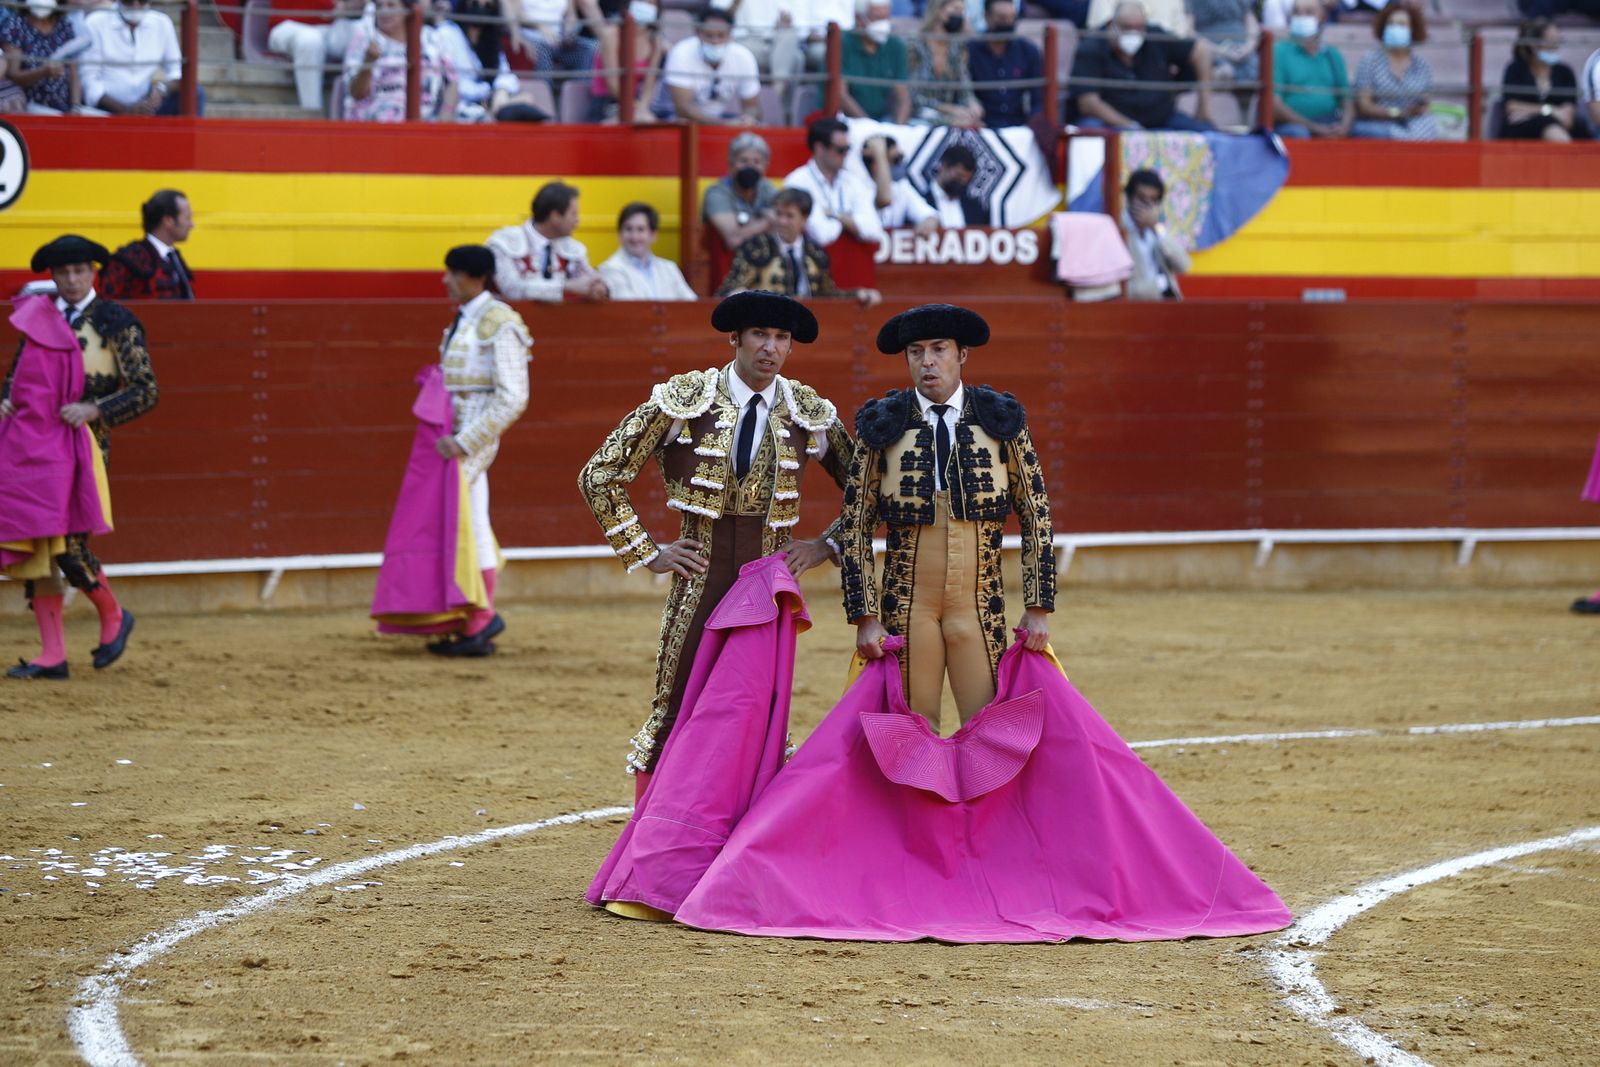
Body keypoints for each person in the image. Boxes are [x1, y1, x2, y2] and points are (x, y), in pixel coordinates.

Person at [577, 290, 855, 792]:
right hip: (699, 573)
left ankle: (744, 834)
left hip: (769, 583)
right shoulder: (686, 399)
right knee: (676, 698)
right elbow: (599, 474)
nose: (770, 348)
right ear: (735, 339)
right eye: (759, 335)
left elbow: (867, 491)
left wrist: (823, 546)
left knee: (761, 708)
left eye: (781, 338)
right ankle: (654, 829)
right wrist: (647, 551)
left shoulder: (808, 412)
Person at [840, 303, 1055, 729]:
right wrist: (864, 616)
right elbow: (855, 525)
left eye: (939, 349)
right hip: (906, 604)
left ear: (962, 355)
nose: (927, 361)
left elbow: (1036, 514)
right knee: (911, 728)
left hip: (980, 603)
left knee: (991, 725)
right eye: (916, 352)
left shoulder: (1000, 419)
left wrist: (1038, 606)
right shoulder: (882, 425)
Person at [1, 235, 158, 680]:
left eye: (79, 271)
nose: (71, 280)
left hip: (86, 443)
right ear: (52, 276)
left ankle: (113, 614)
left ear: (93, 273)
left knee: (69, 542)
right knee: (36, 539)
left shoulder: (115, 321)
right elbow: (18, 379)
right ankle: (52, 655)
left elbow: (147, 390)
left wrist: (96, 411)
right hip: (34, 444)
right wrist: (7, 401)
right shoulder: (38, 319)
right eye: (62, 273)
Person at [391, 245, 530, 656]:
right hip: (454, 436)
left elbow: (513, 397)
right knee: (472, 521)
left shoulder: (499, 322)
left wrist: (467, 441)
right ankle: (478, 615)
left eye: (450, 273)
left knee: (465, 523)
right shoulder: (467, 318)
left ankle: (479, 618)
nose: (444, 280)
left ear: (472, 276)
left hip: (468, 439)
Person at [716, 187, 882, 306]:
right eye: (779, 214)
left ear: (804, 219)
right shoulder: (756, 247)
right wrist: (736, 293)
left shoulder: (815, 253)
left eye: (789, 216)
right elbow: (728, 289)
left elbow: (827, 295)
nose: (782, 222)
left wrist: (858, 294)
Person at [1071, 0, 1213, 131]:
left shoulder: (1155, 36)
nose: (1133, 33)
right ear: (1111, 26)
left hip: (1161, 119)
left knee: (1207, 132)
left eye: (1139, 27)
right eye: (1127, 27)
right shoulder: (1092, 46)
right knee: (1090, 132)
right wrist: (1131, 127)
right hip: (1113, 123)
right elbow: (1088, 104)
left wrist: (1203, 107)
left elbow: (1201, 50)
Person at [485, 181, 610, 303]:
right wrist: (565, 287)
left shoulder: (573, 248)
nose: (577, 221)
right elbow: (512, 289)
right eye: (573, 214)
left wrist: (598, 286)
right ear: (555, 216)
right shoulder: (503, 242)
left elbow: (588, 279)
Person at [342, 0, 458, 123]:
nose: (384, 11)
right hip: (379, 118)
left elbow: (452, 81)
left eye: (391, 5)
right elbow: (356, 92)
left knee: (475, 115)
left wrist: (447, 112)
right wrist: (368, 62)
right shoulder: (364, 38)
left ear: (407, 10)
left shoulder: (430, 37)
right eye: (379, 6)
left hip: (430, 117)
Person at [80, 0, 204, 115]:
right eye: (129, 0)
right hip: (106, 108)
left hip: (147, 104)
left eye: (142, 0)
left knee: (194, 92)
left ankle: (190, 139)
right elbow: (89, 81)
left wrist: (161, 90)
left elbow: (177, 70)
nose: (135, 5)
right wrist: (125, 110)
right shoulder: (96, 22)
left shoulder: (161, 22)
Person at [782, 117, 886, 249]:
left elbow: (874, 230)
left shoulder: (853, 181)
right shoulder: (797, 182)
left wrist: (835, 215)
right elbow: (821, 234)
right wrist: (851, 222)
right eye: (840, 150)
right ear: (819, 148)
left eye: (847, 149)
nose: (846, 155)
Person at [658, 5, 760, 124]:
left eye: (721, 35)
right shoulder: (681, 53)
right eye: (708, 35)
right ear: (697, 33)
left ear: (730, 35)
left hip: (717, 119)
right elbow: (683, 110)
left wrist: (749, 118)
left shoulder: (744, 57)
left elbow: (751, 107)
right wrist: (724, 125)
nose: (715, 41)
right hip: (671, 118)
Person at [1349, 2, 1435, 141]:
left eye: (1401, 24)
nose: (1395, 28)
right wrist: (1399, 113)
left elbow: (1425, 105)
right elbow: (1364, 106)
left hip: (1412, 124)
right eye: (1391, 24)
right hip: (1379, 124)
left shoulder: (1422, 66)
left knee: (1428, 125)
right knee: (1381, 132)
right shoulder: (1370, 61)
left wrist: (1417, 111)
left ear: (1413, 30)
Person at [1498, 19, 1588, 143]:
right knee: (1545, 125)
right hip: (1523, 129)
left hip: (1560, 126)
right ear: (1534, 44)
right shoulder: (1515, 69)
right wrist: (1550, 110)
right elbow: (1512, 108)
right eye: (1551, 41)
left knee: (1576, 129)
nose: (1555, 46)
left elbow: (1567, 116)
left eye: (1558, 41)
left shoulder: (1564, 72)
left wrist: (1530, 111)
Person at [1271, 0, 1350, 139]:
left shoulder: (1332, 54)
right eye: (1297, 12)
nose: (1301, 17)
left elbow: (1347, 100)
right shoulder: (1279, 51)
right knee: (1299, 133)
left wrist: (1344, 126)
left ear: (1322, 17)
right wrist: (1314, 128)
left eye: (1309, 12)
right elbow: (1275, 105)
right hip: (1294, 126)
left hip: (1329, 121)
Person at [266, 0, 364, 113]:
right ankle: (312, 115)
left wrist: (354, 5)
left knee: (363, 33)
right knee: (311, 41)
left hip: (332, 26)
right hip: (289, 25)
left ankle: (366, 111)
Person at [99, 189, 196, 301]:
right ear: (168, 220)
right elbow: (108, 308)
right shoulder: (128, 259)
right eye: (187, 218)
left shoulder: (174, 257)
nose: (191, 224)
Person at [597, 202, 697, 300]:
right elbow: (629, 309)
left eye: (640, 229)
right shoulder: (610, 268)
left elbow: (692, 305)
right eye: (628, 229)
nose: (634, 237)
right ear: (619, 234)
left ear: (653, 235)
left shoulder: (669, 268)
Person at [966, 0, 1040, 129]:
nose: (1007, 22)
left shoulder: (1027, 50)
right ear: (987, 16)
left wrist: (1033, 126)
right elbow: (962, 94)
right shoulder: (969, 50)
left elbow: (1039, 98)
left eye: (1011, 18)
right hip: (980, 127)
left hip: (1019, 128)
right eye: (1001, 18)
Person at [703, 131, 781, 253]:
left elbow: (787, 225)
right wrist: (767, 221)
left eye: (756, 162)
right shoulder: (717, 193)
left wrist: (748, 227)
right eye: (744, 161)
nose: (750, 167)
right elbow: (733, 239)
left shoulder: (767, 188)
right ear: (731, 164)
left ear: (766, 166)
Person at [907, 0, 983, 126]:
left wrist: (973, 105)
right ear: (938, 10)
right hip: (916, 115)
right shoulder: (914, 45)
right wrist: (948, 109)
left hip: (949, 116)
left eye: (961, 11)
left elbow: (964, 87)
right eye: (955, 9)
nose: (958, 15)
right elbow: (911, 95)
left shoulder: (957, 48)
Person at [0, 0, 79, 114]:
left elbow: (73, 73)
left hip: (64, 108)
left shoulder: (64, 25)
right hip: (29, 107)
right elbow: (13, 75)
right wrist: (43, 72)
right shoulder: (15, 25)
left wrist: (75, 107)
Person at [1121, 168, 1188, 300]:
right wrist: (1158, 285)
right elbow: (1121, 290)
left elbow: (1183, 265)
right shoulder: (1118, 230)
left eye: (1152, 200)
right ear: (1128, 198)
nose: (1146, 205)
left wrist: (1156, 227)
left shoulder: (1157, 230)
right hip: (1133, 309)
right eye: (1141, 198)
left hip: (1167, 307)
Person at [590, 0, 663, 122]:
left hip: (638, 105)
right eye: (641, 1)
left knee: (651, 125)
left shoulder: (655, 41)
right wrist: (635, 106)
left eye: (650, 3)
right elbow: (613, 85)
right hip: (608, 103)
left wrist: (642, 107)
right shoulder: (611, 35)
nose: (645, 6)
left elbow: (649, 85)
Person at [840, 0, 910, 123]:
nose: (883, 24)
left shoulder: (896, 45)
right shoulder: (841, 43)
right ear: (859, 19)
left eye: (886, 17)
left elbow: (903, 96)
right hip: (845, 121)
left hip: (883, 120)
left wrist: (899, 128)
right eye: (877, 18)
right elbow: (841, 94)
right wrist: (870, 127)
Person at [1190, 0, 1257, 121]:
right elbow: (1188, 31)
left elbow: (1251, 22)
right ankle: (1208, 120)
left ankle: (1248, 123)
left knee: (1259, 73)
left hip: (1243, 52)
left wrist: (1248, 47)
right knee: (1224, 73)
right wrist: (1220, 51)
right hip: (1211, 50)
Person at [863, 134, 939, 234]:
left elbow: (928, 214)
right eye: (896, 159)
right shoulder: (858, 185)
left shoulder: (901, 186)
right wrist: (879, 154)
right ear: (875, 164)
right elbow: (884, 199)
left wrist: (928, 221)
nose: (900, 164)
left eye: (901, 157)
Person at [518, 0, 603, 82]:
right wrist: (539, 26)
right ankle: (544, 93)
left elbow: (571, 16)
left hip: (559, 41)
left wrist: (568, 31)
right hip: (533, 40)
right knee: (542, 54)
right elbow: (516, 14)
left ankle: (579, 91)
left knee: (592, 48)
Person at [923, 142, 988, 227]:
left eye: (967, 179)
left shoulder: (975, 208)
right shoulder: (921, 202)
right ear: (944, 166)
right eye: (959, 176)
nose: (963, 182)